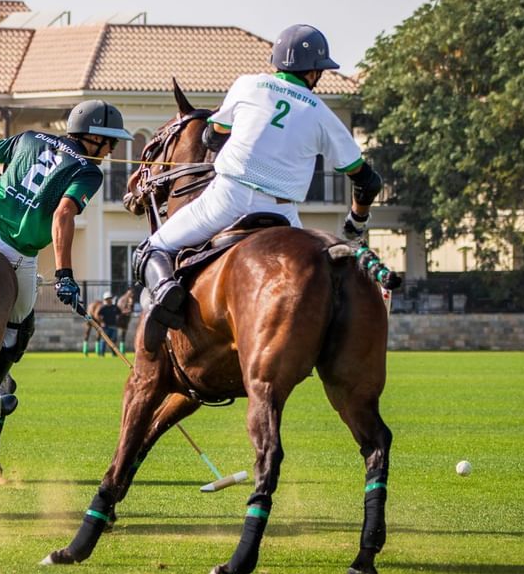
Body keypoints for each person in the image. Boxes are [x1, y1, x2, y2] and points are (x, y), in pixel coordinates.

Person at [134, 24, 384, 343]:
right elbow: (367, 181)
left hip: (227, 199)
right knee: (316, 269)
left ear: (277, 62)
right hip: (283, 214)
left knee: (150, 249)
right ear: (314, 73)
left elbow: (211, 137)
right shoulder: (323, 115)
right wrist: (355, 224)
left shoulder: (248, 85)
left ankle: (167, 293)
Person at [0, 99, 133, 396]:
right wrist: (64, 274)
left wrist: (4, 184)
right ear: (93, 136)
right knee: (17, 328)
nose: (112, 150)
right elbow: (63, 215)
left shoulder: (29, 138)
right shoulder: (89, 172)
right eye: (111, 142)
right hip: (15, 251)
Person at [95, 291, 120, 357]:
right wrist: (101, 322)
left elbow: (119, 313)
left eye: (110, 298)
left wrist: (118, 319)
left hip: (114, 326)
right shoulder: (103, 308)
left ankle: (114, 354)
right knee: (104, 340)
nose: (109, 300)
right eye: (107, 299)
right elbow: (98, 315)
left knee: (113, 341)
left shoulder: (115, 307)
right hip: (106, 327)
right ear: (105, 300)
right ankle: (102, 354)